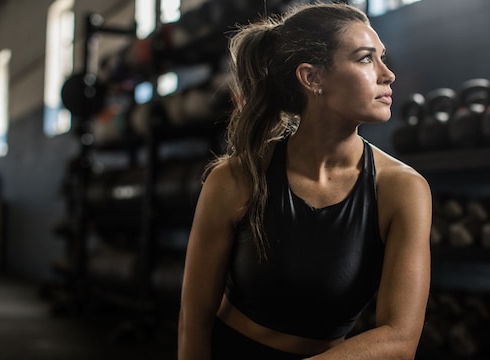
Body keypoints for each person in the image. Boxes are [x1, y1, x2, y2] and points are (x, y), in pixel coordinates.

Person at [178, 2, 432, 359]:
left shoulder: (402, 189)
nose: (387, 74)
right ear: (312, 77)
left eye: (382, 58)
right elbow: (195, 319)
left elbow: (400, 338)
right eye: (364, 59)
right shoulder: (236, 178)